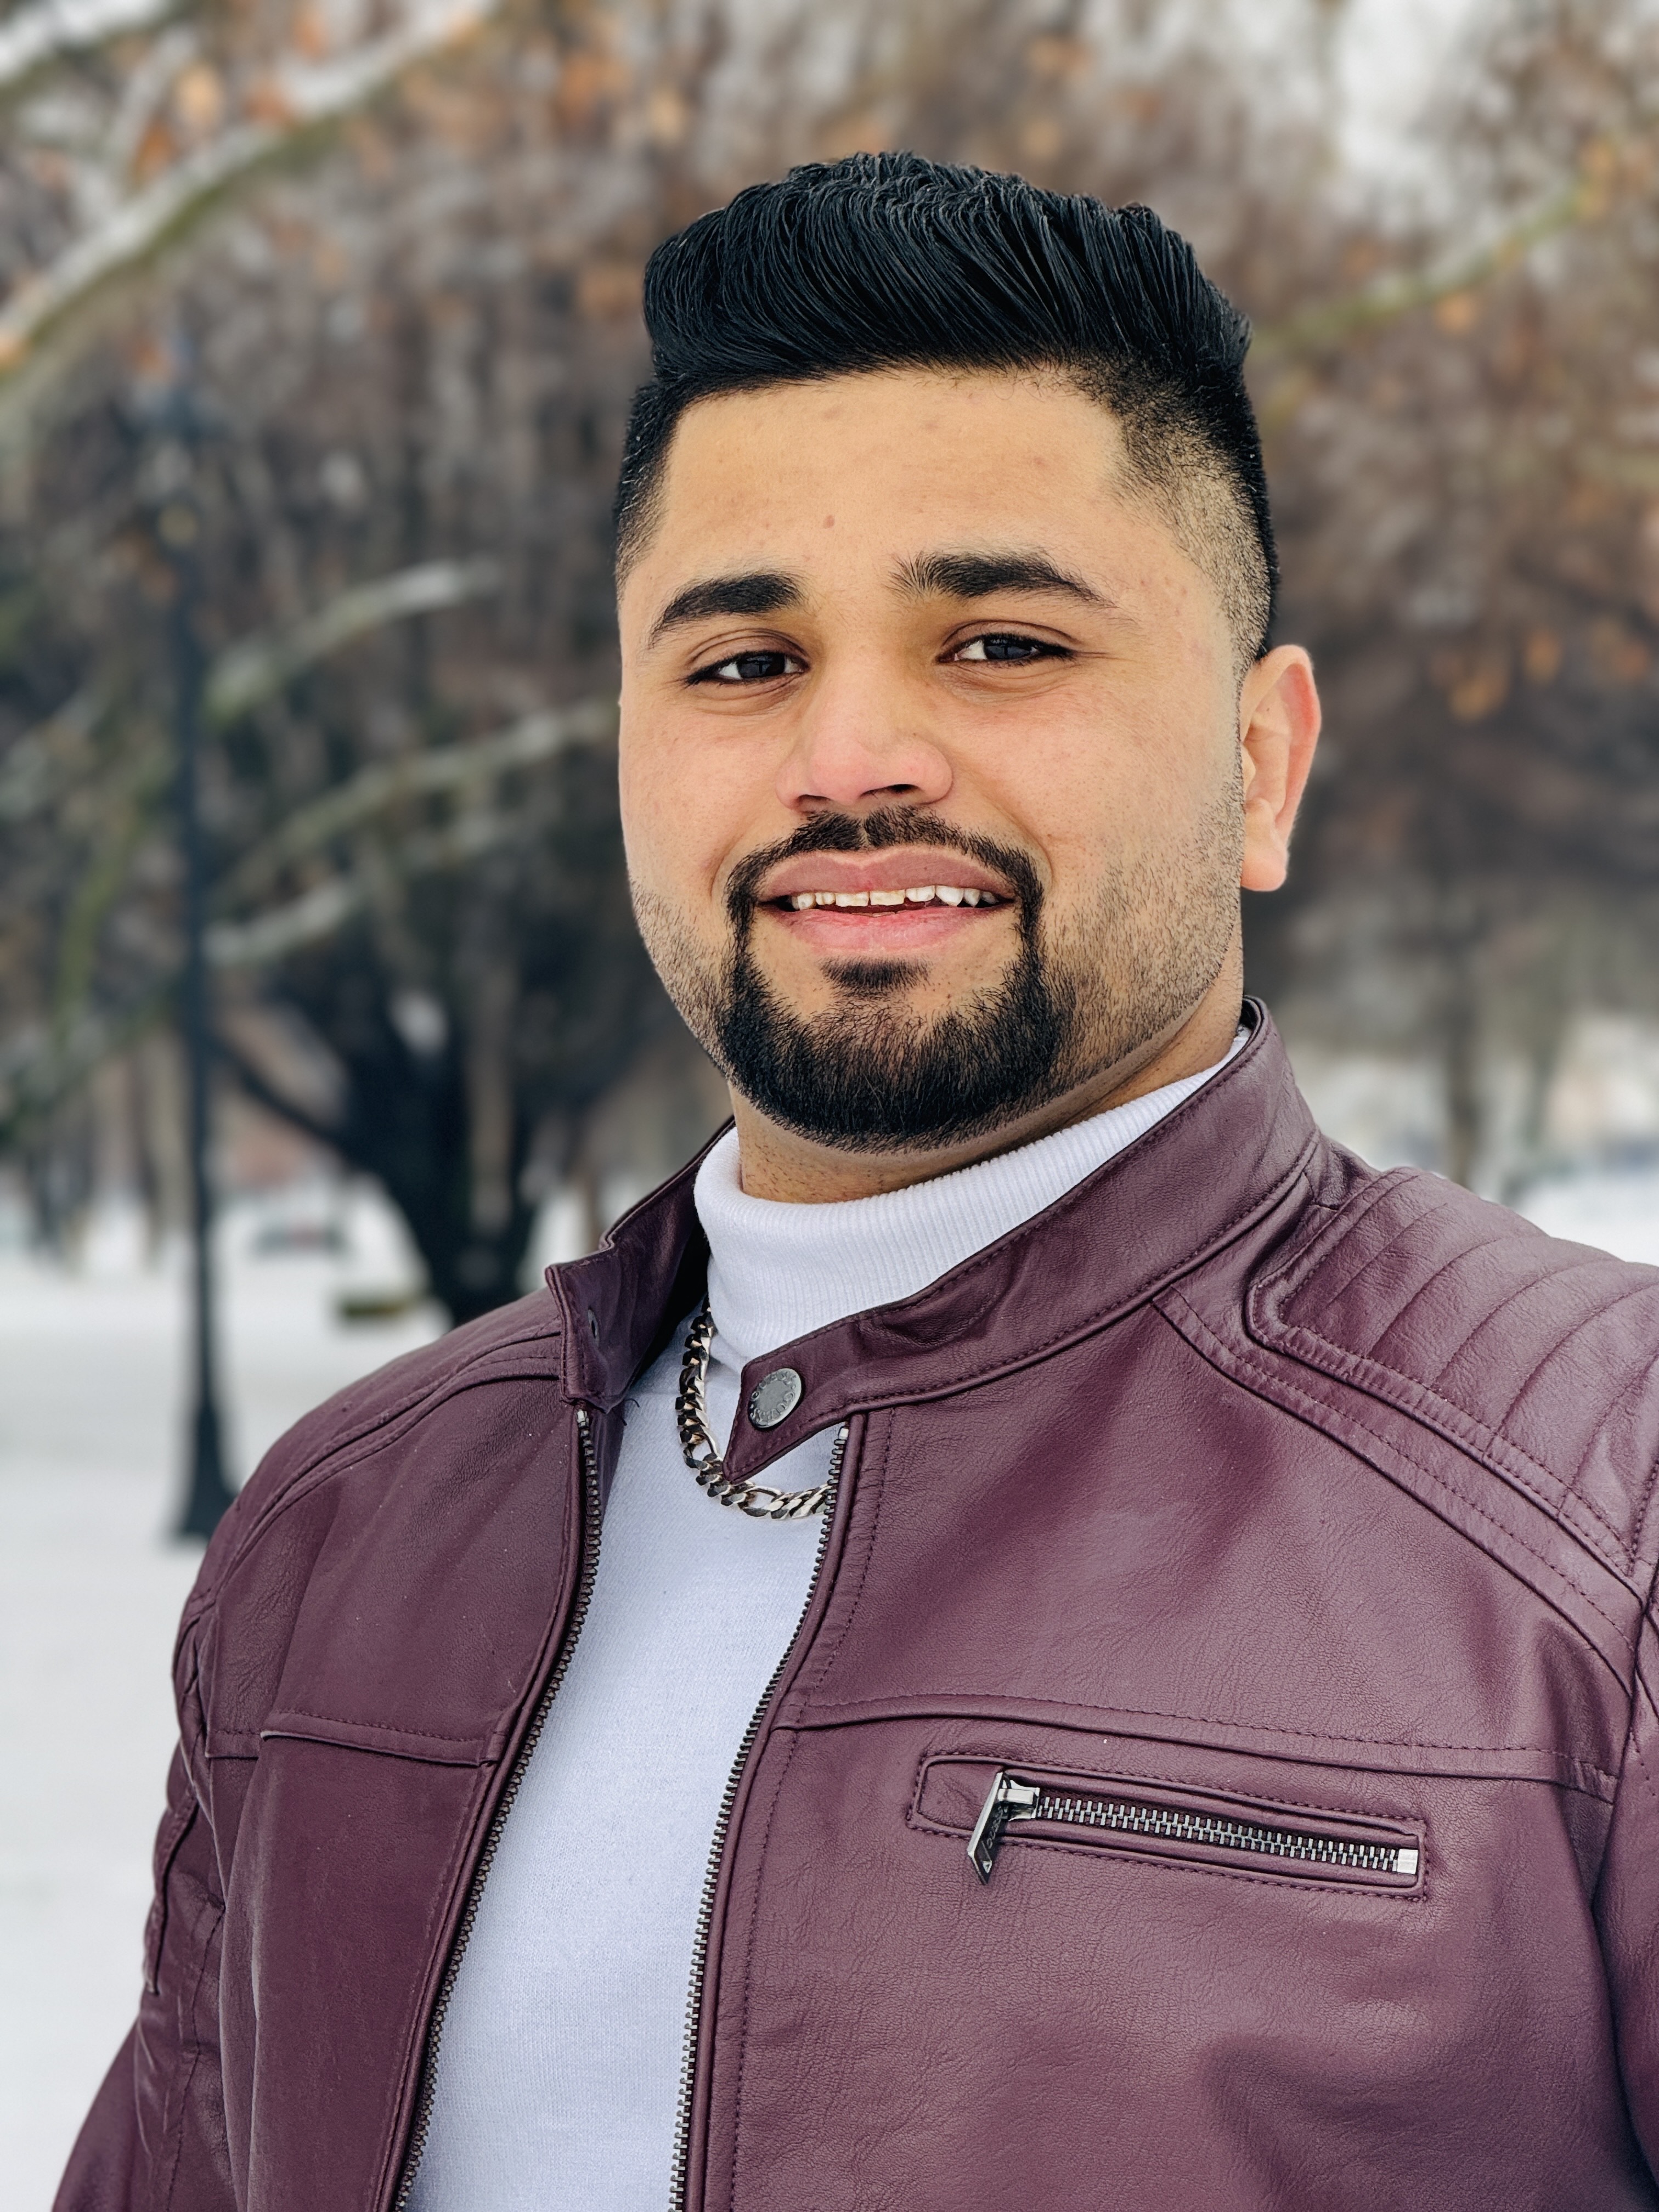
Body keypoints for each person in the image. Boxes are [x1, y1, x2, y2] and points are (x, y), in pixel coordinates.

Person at [60, 153, 1659, 2212]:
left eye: (998, 642)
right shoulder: (346, 1534)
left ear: (1259, 762)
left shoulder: (1603, 1503)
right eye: (742, 663)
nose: (852, 755)